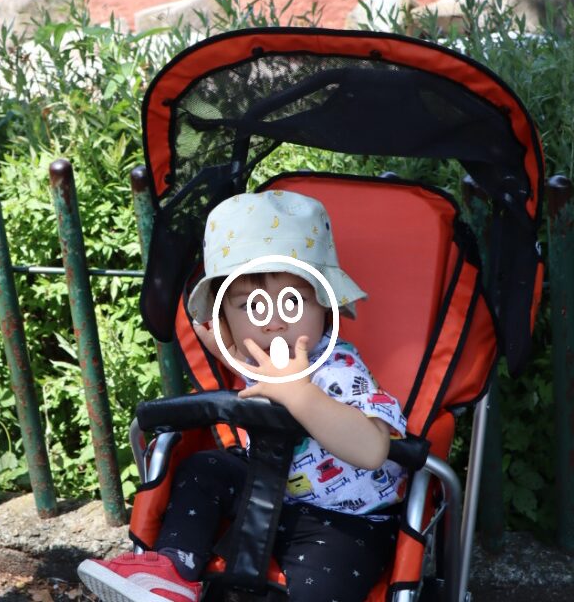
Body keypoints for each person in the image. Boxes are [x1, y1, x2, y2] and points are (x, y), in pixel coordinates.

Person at [78, 190, 408, 602]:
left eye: (292, 302)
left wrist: (300, 394)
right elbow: (216, 338)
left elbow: (373, 449)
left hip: (346, 521)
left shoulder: (337, 368)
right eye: (249, 306)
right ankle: (171, 573)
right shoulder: (258, 360)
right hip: (269, 491)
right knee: (204, 468)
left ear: (326, 305)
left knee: (321, 587)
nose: (271, 323)